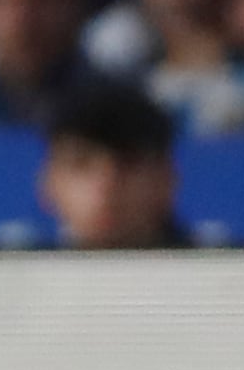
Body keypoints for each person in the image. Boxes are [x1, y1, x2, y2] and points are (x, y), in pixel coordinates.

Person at [39, 80, 186, 248]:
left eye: (128, 162)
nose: (106, 185)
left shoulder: (214, 269)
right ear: (49, 182)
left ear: (167, 179)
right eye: (81, 163)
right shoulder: (14, 271)